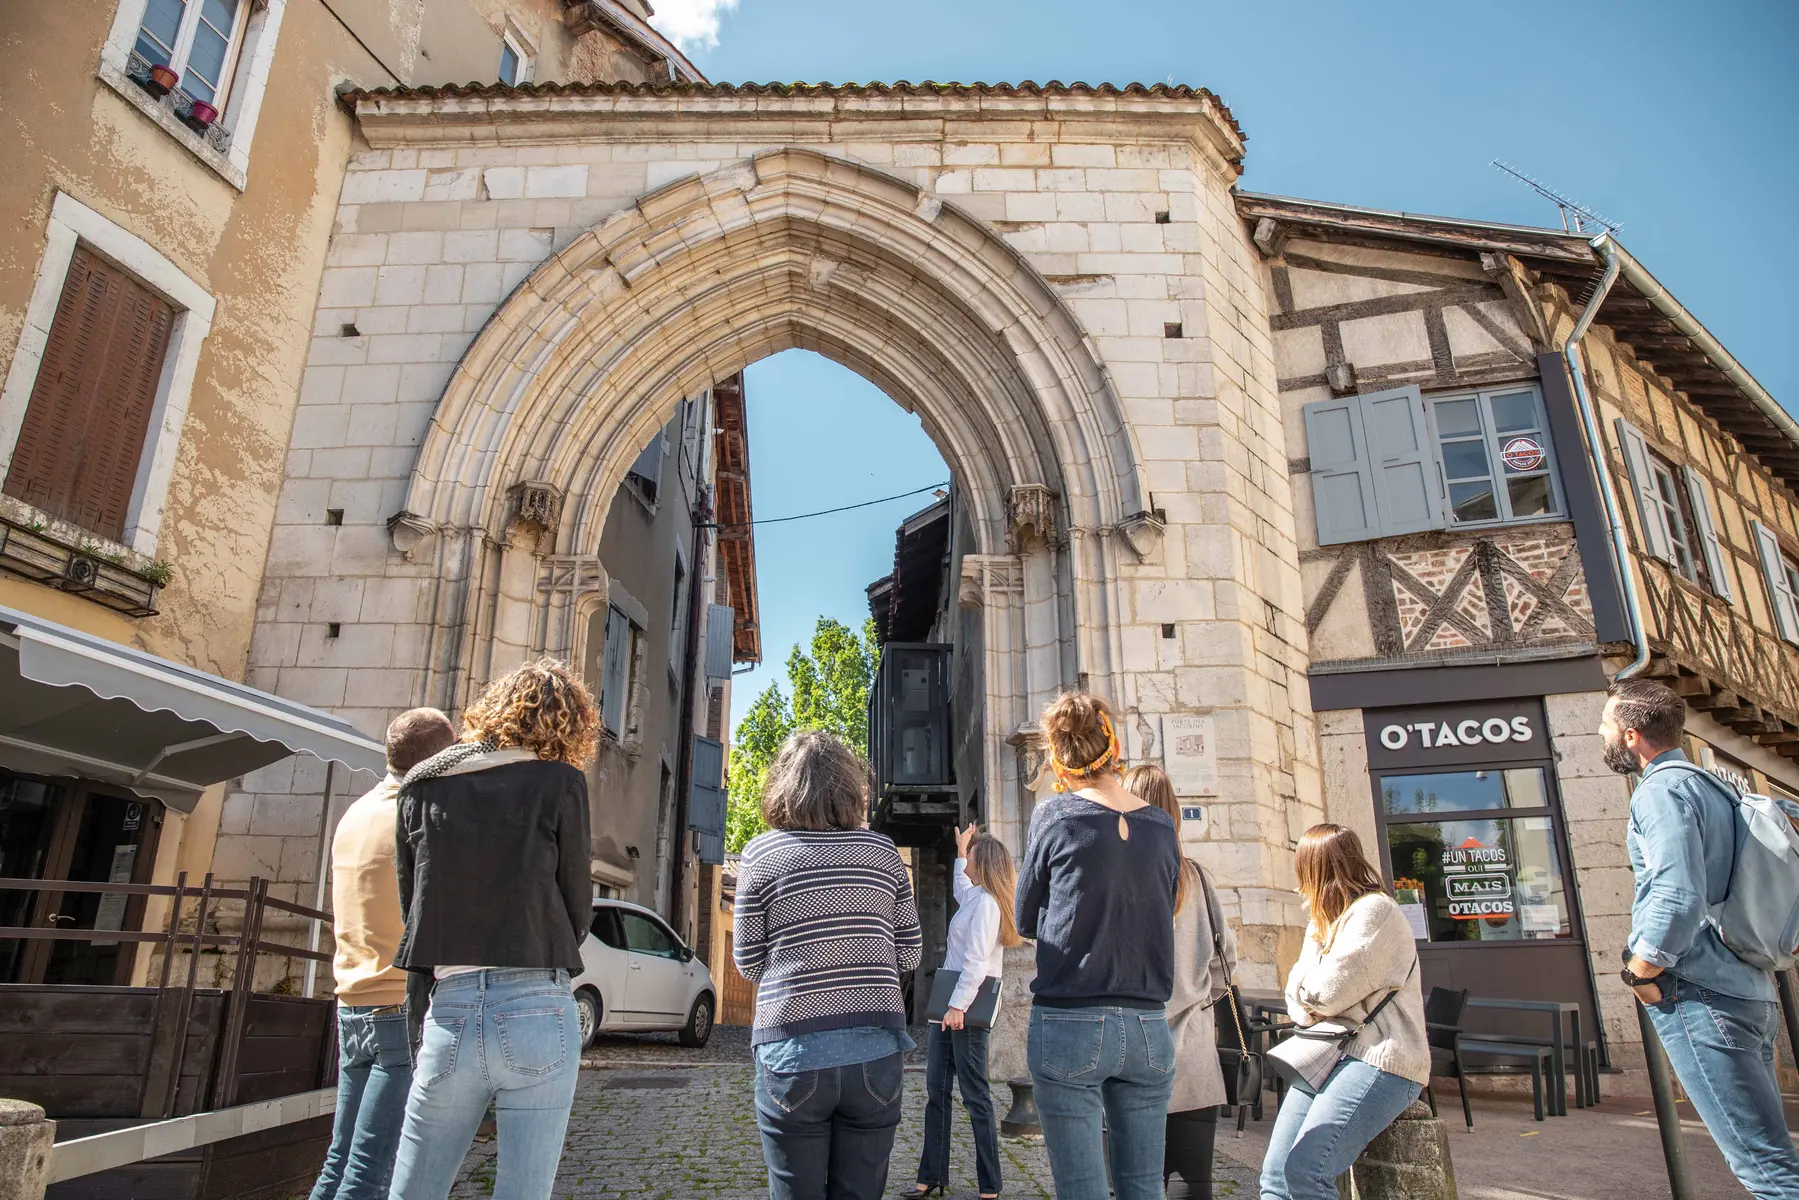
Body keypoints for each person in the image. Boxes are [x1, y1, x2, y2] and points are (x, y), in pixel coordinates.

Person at [386, 659, 598, 1200]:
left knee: (414, 1190)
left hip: (452, 1004)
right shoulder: (562, 783)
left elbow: (415, 908)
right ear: (570, 725)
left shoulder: (420, 788)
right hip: (537, 1001)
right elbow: (577, 910)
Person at [1604, 677, 1799, 1198]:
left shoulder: (1661, 790)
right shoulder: (1718, 787)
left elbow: (1676, 893)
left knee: (1767, 1171)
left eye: (1606, 725)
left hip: (1701, 992)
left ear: (1629, 735)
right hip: (1749, 987)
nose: (1602, 733)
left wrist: (1640, 970)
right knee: (1772, 1157)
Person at [734, 730, 923, 1200]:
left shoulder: (760, 854)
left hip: (792, 1052)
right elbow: (910, 953)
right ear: (849, 788)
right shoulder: (882, 853)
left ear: (782, 786)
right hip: (875, 1053)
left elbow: (749, 962)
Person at [1014, 692, 1182, 1200]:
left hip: (1072, 1019)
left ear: (1057, 758)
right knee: (1143, 1188)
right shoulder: (1161, 825)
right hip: (1149, 1024)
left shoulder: (1055, 817)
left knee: (1083, 1190)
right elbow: (1165, 905)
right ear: (1113, 746)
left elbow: (1024, 917)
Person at [308, 708, 456, 1200]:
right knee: (372, 1171)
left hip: (351, 1000)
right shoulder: (418, 817)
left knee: (339, 1160)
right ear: (438, 760)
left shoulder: (356, 812)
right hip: (397, 1006)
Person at [1261, 823, 1426, 1200]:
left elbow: (1327, 994)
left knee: (1307, 1170)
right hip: (1325, 1055)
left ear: (1316, 869)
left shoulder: (1375, 912)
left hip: (1378, 1058)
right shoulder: (1321, 922)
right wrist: (1312, 995)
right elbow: (1298, 1000)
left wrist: (1313, 995)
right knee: (1274, 1176)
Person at [1121, 764, 1235, 1200]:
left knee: (1129, 1182)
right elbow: (1226, 963)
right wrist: (1194, 997)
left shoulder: (1116, 878)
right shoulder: (1198, 877)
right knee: (1193, 1183)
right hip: (1191, 1052)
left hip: (1129, 1048)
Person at [909, 822, 1023, 1200]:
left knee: (976, 1096)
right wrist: (960, 851)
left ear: (984, 864)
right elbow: (961, 887)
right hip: (951, 1006)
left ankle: (990, 1184)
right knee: (936, 1090)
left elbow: (976, 962)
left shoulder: (988, 905)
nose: (968, 858)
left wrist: (957, 1007)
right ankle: (931, 1177)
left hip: (966, 1008)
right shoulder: (976, 896)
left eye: (972, 855)